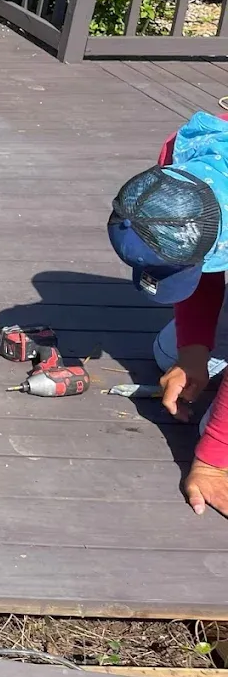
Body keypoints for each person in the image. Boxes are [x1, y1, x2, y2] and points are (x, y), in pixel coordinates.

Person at [108, 110, 228, 516]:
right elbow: (202, 256)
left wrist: (212, 460)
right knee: (171, 354)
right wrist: (193, 354)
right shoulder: (186, 153)